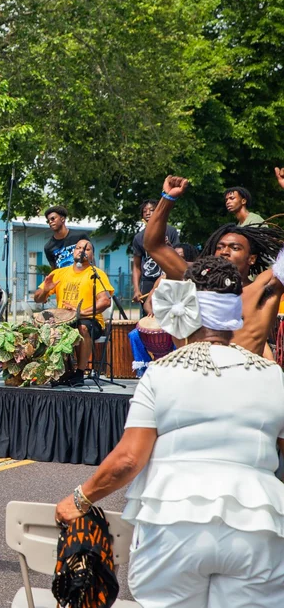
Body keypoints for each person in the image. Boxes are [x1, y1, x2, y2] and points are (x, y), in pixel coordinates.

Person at [55, 257, 284, 607]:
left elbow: (129, 459)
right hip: (258, 527)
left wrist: (80, 499)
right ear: (235, 313)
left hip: (173, 527)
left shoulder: (163, 373)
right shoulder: (271, 375)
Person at [145, 175, 284, 357]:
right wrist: (168, 198)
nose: (225, 252)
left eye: (235, 248)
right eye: (220, 247)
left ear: (251, 258)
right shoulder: (195, 279)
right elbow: (154, 246)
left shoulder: (264, 288)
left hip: (245, 372)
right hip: (200, 371)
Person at [33, 239, 113, 386]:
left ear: (92, 255)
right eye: (78, 248)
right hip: (63, 321)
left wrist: (81, 312)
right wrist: (45, 290)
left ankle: (79, 373)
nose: (82, 251)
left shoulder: (96, 274)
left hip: (90, 320)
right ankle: (60, 372)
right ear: (73, 252)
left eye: (87, 249)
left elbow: (105, 301)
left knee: (82, 328)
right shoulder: (59, 273)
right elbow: (37, 298)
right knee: (47, 330)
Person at [131, 199, 178, 314]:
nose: (148, 213)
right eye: (144, 211)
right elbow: (136, 266)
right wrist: (137, 289)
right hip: (148, 280)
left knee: (169, 313)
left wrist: (169, 246)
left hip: (167, 278)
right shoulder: (139, 237)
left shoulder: (171, 231)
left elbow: (179, 257)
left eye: (152, 210)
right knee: (148, 315)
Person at [43, 205, 90, 269]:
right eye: (48, 220)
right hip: (63, 275)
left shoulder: (80, 237)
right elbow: (54, 269)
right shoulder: (48, 247)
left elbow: (91, 258)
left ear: (62, 219)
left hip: (82, 274)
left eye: (53, 219)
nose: (50, 222)